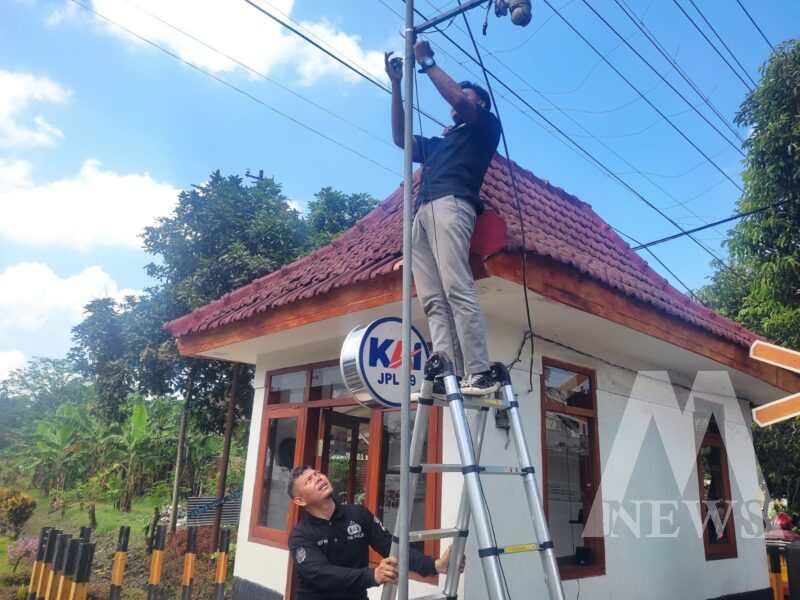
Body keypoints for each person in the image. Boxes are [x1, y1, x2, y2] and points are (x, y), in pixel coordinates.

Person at [385, 40, 502, 395]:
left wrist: (428, 63)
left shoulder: (485, 127)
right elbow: (399, 138)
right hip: (421, 214)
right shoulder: (439, 143)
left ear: (479, 104)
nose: (456, 101)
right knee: (433, 298)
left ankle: (479, 371)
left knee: (456, 288)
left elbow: (461, 102)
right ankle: (448, 365)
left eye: (464, 96)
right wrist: (395, 84)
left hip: (452, 205)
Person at [288, 466, 456, 600]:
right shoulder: (300, 536)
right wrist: (372, 575)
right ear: (300, 500)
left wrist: (434, 565)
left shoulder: (358, 515)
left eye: (317, 474)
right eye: (309, 480)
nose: (318, 478)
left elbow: (390, 545)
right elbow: (321, 573)